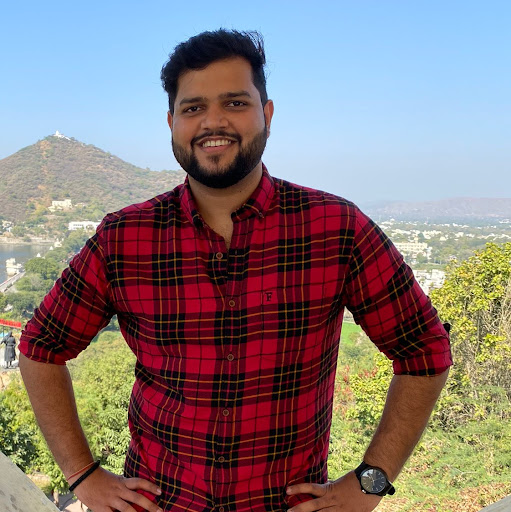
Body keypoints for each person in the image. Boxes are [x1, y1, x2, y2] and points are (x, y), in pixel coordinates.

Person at [19, 29, 452, 512]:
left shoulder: (335, 229)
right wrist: (83, 474)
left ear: (267, 114)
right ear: (172, 123)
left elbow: (424, 348)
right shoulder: (124, 238)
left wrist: (370, 481)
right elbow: (42, 347)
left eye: (235, 103)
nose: (213, 121)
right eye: (193, 108)